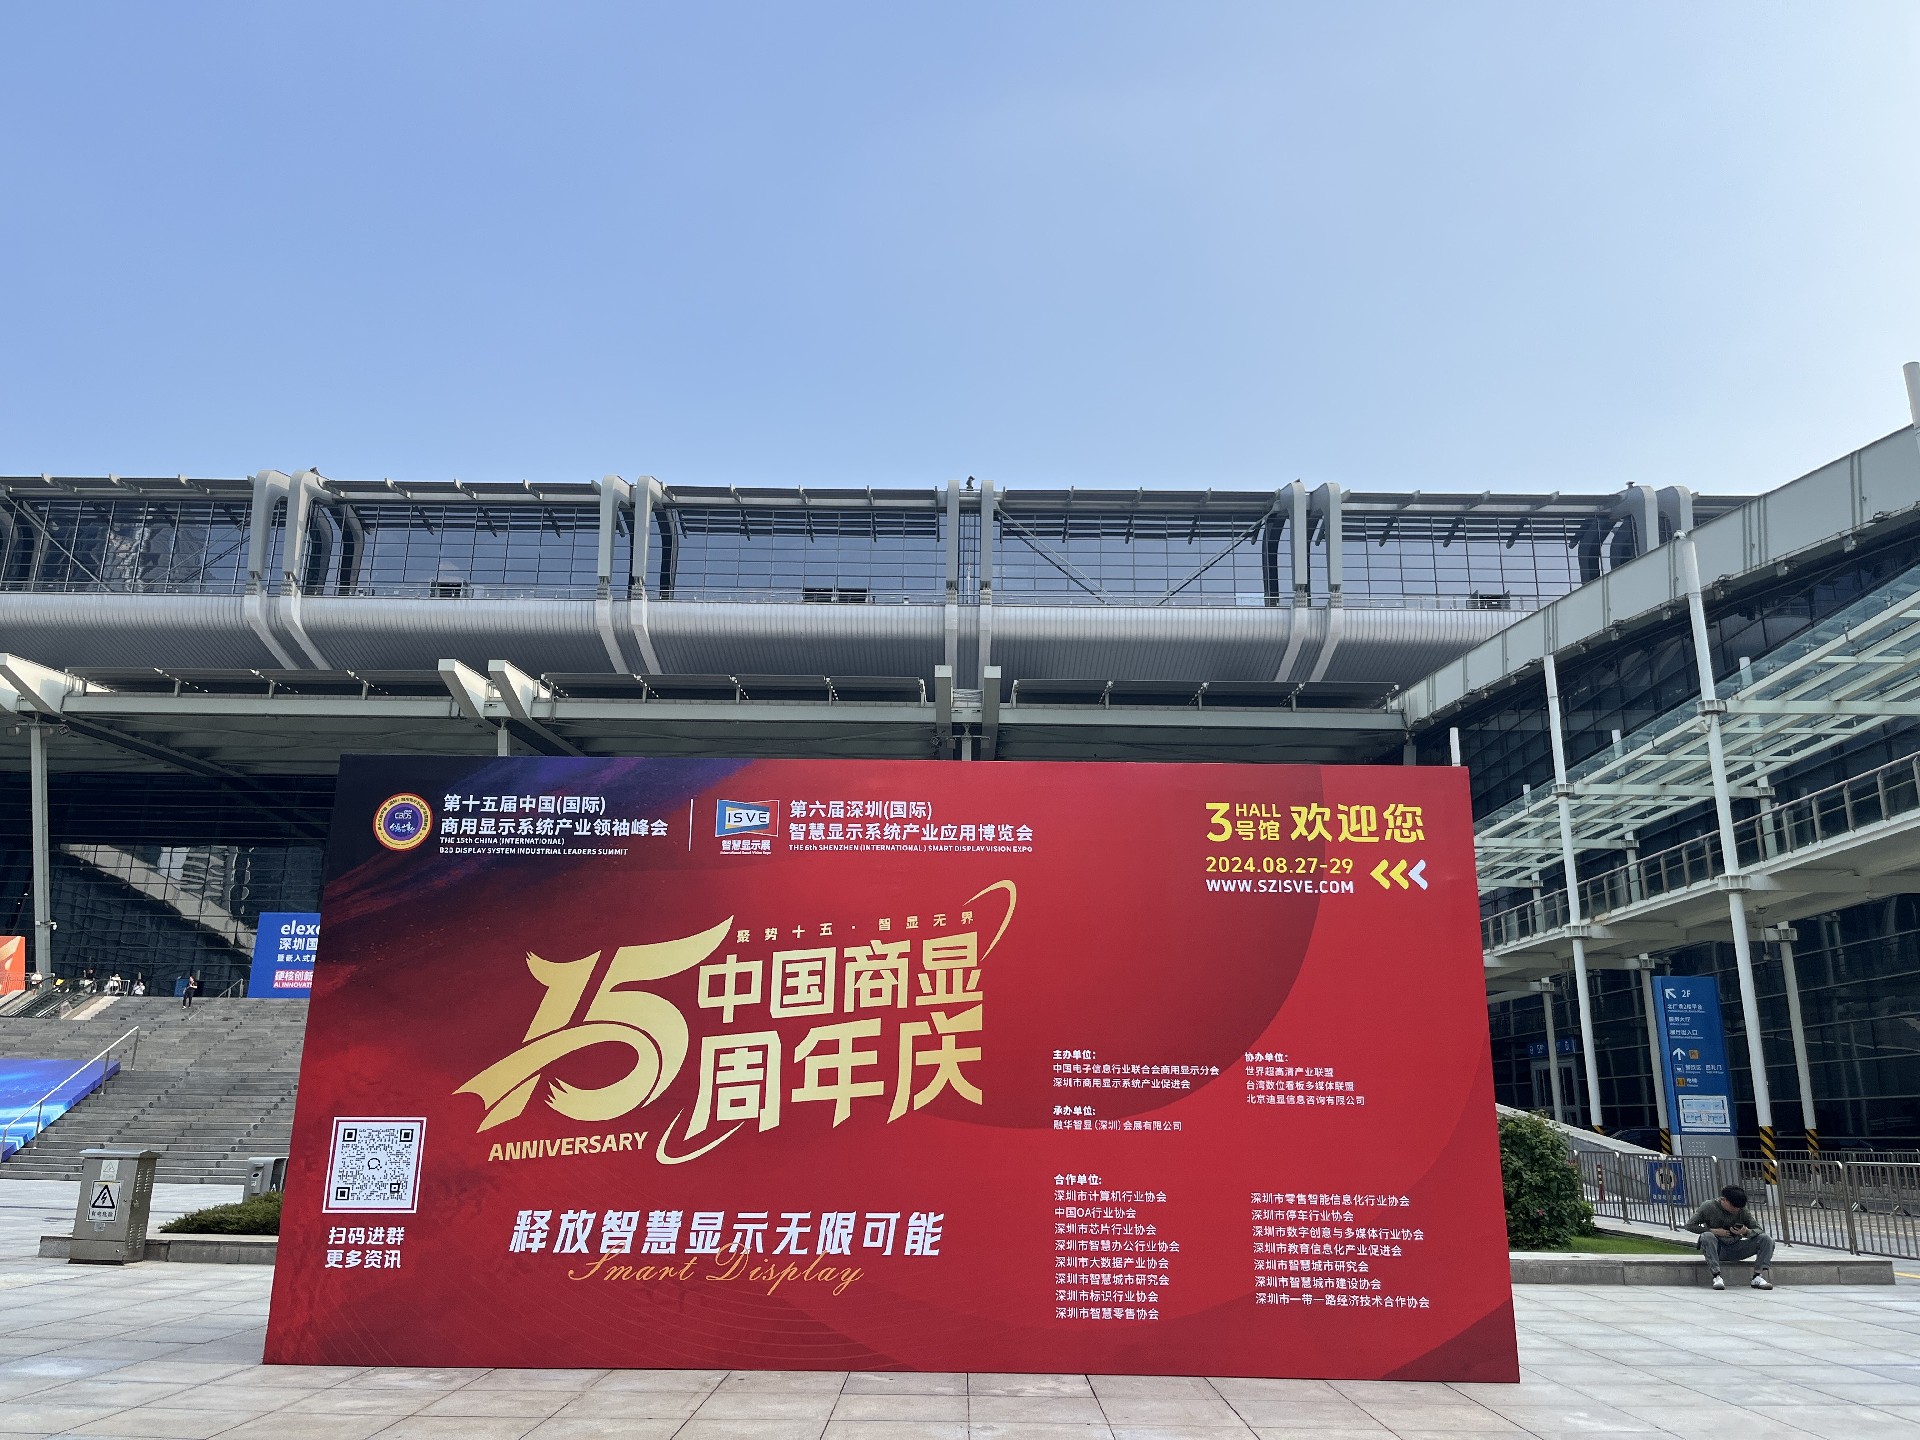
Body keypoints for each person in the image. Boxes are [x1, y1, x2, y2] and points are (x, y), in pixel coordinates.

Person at [1685, 1184, 1774, 1290]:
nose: (1736, 1210)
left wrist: (1746, 1232)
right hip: (1717, 1248)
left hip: (1736, 1247)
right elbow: (1690, 1225)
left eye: (1738, 1208)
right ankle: (1716, 1276)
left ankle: (1757, 1276)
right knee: (1706, 1236)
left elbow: (1759, 1229)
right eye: (1733, 1207)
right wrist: (1713, 1231)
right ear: (1724, 1200)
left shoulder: (1741, 1210)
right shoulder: (1708, 1206)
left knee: (1766, 1239)